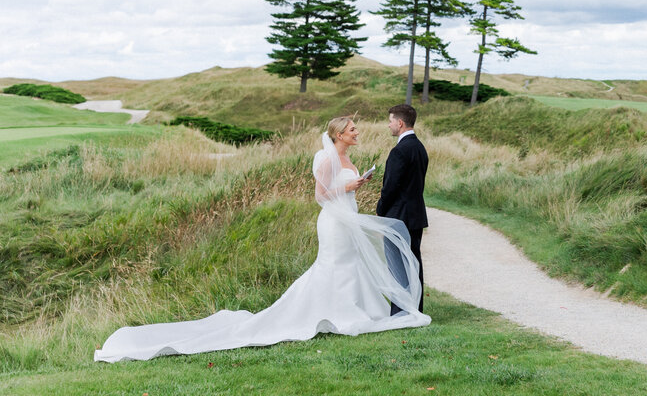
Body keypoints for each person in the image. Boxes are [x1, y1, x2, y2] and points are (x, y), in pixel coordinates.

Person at [94, 116, 429, 363]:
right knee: (332, 265)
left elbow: (340, 189)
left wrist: (356, 184)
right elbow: (320, 195)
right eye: (353, 130)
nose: (358, 133)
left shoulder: (348, 159)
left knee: (351, 264)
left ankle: (356, 310)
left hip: (348, 219)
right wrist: (348, 187)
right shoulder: (325, 158)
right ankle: (326, 312)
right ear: (339, 134)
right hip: (332, 222)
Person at [376, 104, 429, 313]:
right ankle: (415, 308)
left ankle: (400, 312)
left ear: (400, 123)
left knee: (398, 266)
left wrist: (381, 209)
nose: (388, 125)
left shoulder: (399, 151)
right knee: (413, 263)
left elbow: (390, 187)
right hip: (415, 216)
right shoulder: (419, 147)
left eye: (390, 121)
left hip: (398, 216)